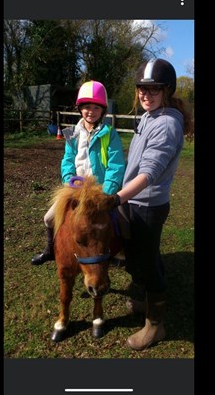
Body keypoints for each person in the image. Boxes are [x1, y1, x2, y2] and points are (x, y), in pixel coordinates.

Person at [112, 58, 194, 351]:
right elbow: (136, 161)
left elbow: (148, 173)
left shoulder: (167, 124)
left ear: (167, 90)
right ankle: (147, 299)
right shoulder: (149, 116)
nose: (145, 95)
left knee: (144, 264)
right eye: (141, 89)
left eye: (154, 89)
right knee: (139, 255)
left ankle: (156, 325)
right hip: (133, 199)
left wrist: (116, 198)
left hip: (146, 205)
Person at [31, 80, 126, 265]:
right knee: (49, 218)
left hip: (100, 190)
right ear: (80, 109)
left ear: (103, 111)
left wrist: (107, 191)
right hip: (75, 189)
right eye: (87, 107)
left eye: (96, 108)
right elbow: (67, 160)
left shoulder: (110, 134)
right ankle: (50, 249)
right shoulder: (72, 134)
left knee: (120, 221)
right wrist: (68, 180)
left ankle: (118, 251)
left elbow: (115, 166)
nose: (91, 111)